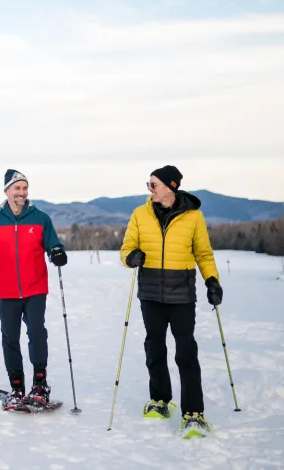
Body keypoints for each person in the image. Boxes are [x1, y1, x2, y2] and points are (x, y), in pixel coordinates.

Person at [119, 165, 223, 434]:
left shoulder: (193, 217)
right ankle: (160, 400)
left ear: (170, 187)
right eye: (149, 184)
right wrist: (131, 258)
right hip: (151, 293)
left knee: (186, 352)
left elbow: (204, 254)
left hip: (182, 295)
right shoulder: (140, 214)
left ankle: (193, 413)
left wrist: (212, 281)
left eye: (154, 184)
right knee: (154, 348)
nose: (149, 189)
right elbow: (126, 249)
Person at [0, 169, 67, 411]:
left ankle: (40, 385)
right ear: (7, 191)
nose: (21, 192)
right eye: (17, 188)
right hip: (6, 289)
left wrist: (57, 253)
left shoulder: (41, 218)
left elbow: (53, 245)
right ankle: (17, 388)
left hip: (35, 287)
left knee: (36, 332)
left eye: (24, 188)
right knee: (10, 338)